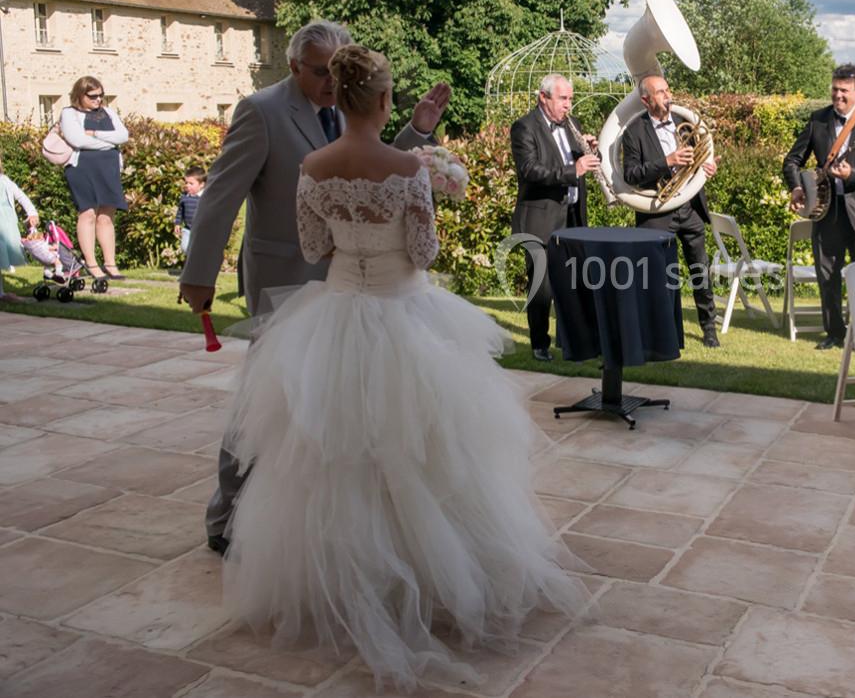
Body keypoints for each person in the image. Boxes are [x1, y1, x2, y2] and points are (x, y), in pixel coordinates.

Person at [218, 44, 584, 689]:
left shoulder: (313, 164)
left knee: (332, 454)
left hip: (334, 315)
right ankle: (430, 573)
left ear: (340, 94)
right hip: (403, 313)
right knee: (425, 450)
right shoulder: (406, 169)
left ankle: (338, 579)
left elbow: (312, 246)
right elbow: (422, 251)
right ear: (385, 101)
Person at [180, 20, 452, 555]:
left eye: (335, 72)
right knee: (266, 402)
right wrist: (198, 275)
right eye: (318, 72)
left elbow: (364, 169)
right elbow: (220, 194)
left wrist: (417, 133)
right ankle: (225, 515)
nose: (330, 83)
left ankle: (341, 525)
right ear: (292, 67)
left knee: (350, 411)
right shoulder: (260, 112)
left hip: (351, 286)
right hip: (284, 276)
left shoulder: (343, 108)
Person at [783, 63, 855, 350]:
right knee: (827, 274)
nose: (838, 95)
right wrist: (797, 187)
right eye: (834, 89)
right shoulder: (817, 120)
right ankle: (834, 333)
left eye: (844, 90)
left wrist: (852, 175)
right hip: (826, 211)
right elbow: (792, 160)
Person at [621, 74, 721, 347]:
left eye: (667, 90)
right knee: (659, 277)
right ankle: (659, 331)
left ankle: (709, 327)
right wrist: (667, 161)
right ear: (645, 100)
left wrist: (705, 166)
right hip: (657, 211)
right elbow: (631, 174)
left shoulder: (682, 123)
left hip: (689, 207)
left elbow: (698, 159)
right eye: (661, 92)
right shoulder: (633, 132)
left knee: (700, 270)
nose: (668, 96)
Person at [509, 73, 597, 361]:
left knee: (574, 283)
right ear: (543, 98)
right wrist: (575, 169)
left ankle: (572, 341)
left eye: (570, 98)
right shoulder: (524, 127)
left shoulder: (573, 126)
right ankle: (539, 343)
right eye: (563, 98)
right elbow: (531, 171)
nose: (568, 105)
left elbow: (573, 162)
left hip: (571, 215)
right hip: (540, 219)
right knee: (542, 287)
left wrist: (588, 151)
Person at [59, 76, 129, 281]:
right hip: (82, 168)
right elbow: (77, 140)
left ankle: (110, 263)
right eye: (93, 96)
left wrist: (95, 134)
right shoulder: (69, 113)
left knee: (107, 215)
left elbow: (123, 136)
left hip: (109, 167)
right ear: (80, 95)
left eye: (101, 95)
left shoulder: (107, 112)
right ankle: (91, 263)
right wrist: (107, 142)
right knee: (88, 213)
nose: (98, 100)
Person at [0, 154, 39, 303]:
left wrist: (32, 212)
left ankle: (1, 293)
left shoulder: (4, 180)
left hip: (6, 224)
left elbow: (21, 196)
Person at [173, 167, 206, 255]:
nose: (187, 185)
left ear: (201, 184)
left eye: (191, 183)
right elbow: (180, 211)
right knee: (185, 247)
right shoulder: (184, 197)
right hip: (188, 229)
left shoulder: (205, 198)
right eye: (186, 182)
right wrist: (177, 223)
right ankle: (194, 261)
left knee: (202, 249)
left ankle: (198, 264)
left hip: (202, 230)